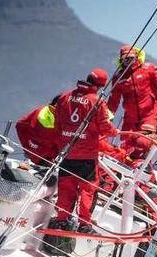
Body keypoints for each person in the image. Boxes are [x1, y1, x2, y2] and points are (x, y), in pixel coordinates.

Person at [51, 68, 119, 234]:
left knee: (66, 188)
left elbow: (57, 123)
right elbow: (105, 127)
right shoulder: (97, 101)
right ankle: (84, 224)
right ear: (100, 86)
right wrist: (114, 132)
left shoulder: (64, 96)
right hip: (87, 156)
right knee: (87, 191)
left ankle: (62, 220)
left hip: (67, 152)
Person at [15, 99, 60, 165]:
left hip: (33, 153)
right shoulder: (63, 123)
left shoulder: (41, 110)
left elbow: (20, 124)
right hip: (46, 159)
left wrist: (27, 146)